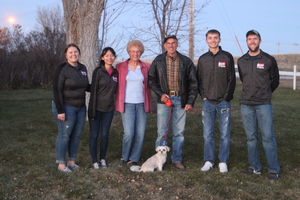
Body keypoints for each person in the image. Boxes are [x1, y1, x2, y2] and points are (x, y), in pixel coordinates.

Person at [148, 35, 198, 170]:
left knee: (179, 132)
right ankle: (158, 161)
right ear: (165, 45)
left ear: (177, 44)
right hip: (164, 100)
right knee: (161, 131)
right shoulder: (158, 61)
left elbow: (193, 83)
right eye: (168, 43)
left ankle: (177, 159)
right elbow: (151, 79)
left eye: (174, 43)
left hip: (181, 99)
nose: (171, 46)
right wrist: (160, 94)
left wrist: (190, 101)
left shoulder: (186, 62)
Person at [238, 30, 280, 180]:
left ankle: (273, 169)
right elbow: (244, 79)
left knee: (268, 137)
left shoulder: (269, 60)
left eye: (255, 39)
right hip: (246, 104)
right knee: (251, 138)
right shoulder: (241, 60)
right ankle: (254, 167)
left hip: (263, 104)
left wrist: (265, 93)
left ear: (260, 41)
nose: (252, 41)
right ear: (247, 42)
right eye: (250, 39)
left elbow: (275, 80)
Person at [196, 29, 236, 173]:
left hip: (223, 101)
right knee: (208, 134)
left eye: (215, 38)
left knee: (225, 134)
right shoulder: (203, 59)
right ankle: (209, 160)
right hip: (208, 102)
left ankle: (223, 161)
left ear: (219, 39)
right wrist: (204, 95)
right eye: (210, 38)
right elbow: (198, 80)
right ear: (206, 40)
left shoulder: (227, 57)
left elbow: (232, 79)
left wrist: (226, 97)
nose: (213, 40)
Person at [52, 43, 89, 173]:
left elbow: (85, 86)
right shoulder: (62, 69)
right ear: (66, 55)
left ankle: (71, 162)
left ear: (79, 53)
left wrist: (100, 86)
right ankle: (61, 165)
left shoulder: (83, 68)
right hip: (66, 107)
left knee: (76, 135)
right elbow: (57, 90)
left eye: (76, 52)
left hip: (80, 107)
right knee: (65, 135)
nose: (74, 54)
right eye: (71, 52)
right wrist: (60, 110)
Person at [115, 40, 152, 166]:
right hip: (127, 103)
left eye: (138, 51)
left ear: (141, 52)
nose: (135, 53)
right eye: (133, 51)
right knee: (129, 133)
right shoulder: (120, 67)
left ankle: (134, 158)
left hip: (142, 103)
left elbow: (151, 83)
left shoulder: (146, 67)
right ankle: (124, 156)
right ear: (129, 52)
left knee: (140, 133)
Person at [88, 47, 118, 169]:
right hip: (96, 108)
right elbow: (93, 91)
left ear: (114, 57)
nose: (109, 58)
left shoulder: (116, 73)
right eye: (106, 55)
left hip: (109, 109)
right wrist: (92, 110)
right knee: (94, 135)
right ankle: (95, 161)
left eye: (111, 55)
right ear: (102, 58)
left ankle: (103, 159)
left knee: (105, 135)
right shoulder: (98, 72)